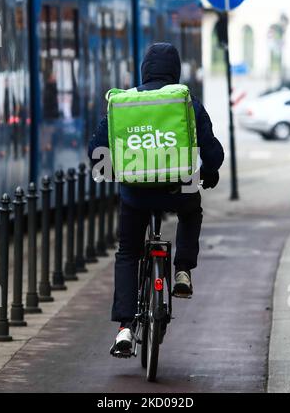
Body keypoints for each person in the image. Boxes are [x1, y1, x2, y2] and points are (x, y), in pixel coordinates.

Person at [88, 43, 224, 357]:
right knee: (192, 213)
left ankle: (124, 327)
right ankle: (182, 271)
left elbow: (96, 151)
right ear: (175, 70)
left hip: (135, 194)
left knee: (127, 253)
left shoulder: (124, 103)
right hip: (180, 189)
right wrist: (209, 173)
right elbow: (212, 152)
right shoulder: (185, 100)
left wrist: (111, 171)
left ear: (144, 70)